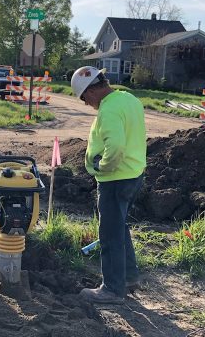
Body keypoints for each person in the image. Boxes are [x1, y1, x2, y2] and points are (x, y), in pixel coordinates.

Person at [71, 66, 146, 305]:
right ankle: (129, 278)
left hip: (115, 179)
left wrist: (103, 166)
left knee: (110, 235)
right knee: (120, 228)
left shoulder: (109, 110)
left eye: (84, 99)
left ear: (91, 92)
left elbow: (115, 147)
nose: (86, 104)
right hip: (134, 174)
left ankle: (112, 289)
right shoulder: (129, 99)